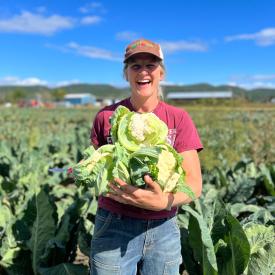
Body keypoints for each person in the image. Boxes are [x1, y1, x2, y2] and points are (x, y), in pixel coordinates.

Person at [89, 38, 203, 275]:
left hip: (164, 227)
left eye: (150, 65)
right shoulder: (106, 117)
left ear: (161, 73)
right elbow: (94, 165)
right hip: (114, 224)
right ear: (126, 74)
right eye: (135, 66)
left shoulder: (178, 118)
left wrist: (164, 201)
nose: (143, 72)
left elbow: (194, 184)